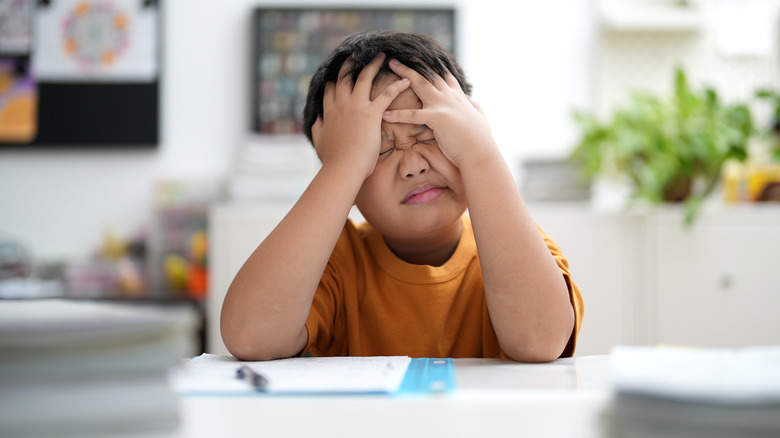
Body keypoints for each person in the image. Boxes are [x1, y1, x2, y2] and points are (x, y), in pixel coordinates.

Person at [221, 31, 583, 362]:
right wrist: (342, 165)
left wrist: (481, 154)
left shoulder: (518, 246)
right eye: (376, 150)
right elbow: (252, 339)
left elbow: (538, 341)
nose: (412, 165)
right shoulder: (331, 261)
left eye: (428, 133)